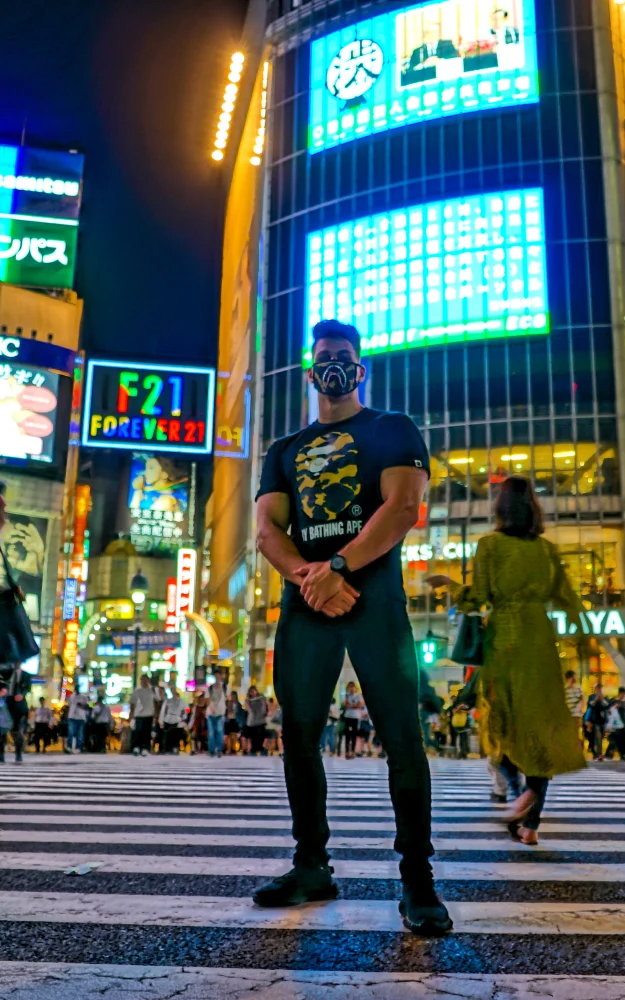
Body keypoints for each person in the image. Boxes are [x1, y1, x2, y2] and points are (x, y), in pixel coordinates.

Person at [250, 320, 450, 936]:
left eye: (343, 357)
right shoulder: (284, 449)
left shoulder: (392, 428)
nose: (333, 365)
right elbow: (266, 531)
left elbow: (403, 507)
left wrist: (338, 567)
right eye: (324, 358)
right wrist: (313, 580)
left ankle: (417, 879)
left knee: (401, 735)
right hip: (308, 605)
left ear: (359, 368)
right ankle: (310, 864)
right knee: (300, 734)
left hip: (375, 600)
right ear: (311, 373)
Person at [448, 476, 588, 846]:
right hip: (540, 643)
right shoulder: (545, 550)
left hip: (505, 642)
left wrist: (449, 588)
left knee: (502, 728)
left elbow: (478, 596)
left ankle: (517, 791)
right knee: (539, 732)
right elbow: (569, 599)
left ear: (501, 508)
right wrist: (584, 638)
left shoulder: (489, 546)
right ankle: (530, 824)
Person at [129, 675, 156, 756]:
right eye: (142, 680)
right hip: (139, 714)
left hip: (149, 714)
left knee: (147, 732)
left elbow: (157, 701)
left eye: (145, 680)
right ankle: (137, 747)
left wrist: (156, 714)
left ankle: (145, 748)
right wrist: (131, 714)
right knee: (138, 731)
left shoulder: (152, 690)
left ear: (148, 680)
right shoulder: (137, 691)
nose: (143, 681)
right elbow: (132, 703)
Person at [158, 683, 186, 754]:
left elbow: (186, 709)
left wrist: (183, 717)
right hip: (168, 719)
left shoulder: (181, 701)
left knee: (176, 735)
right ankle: (167, 748)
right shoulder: (167, 701)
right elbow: (163, 711)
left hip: (177, 719)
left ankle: (175, 747)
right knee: (167, 735)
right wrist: (161, 720)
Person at [584, 684, 609, 761]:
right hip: (594, 721)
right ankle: (599, 754)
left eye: (600, 688)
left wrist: (602, 699)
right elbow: (590, 705)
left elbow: (607, 705)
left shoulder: (604, 697)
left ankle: (597, 753)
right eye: (597, 688)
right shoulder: (591, 697)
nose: (599, 690)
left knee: (600, 738)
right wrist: (595, 699)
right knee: (597, 737)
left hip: (602, 721)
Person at [206, 671, 228, 757]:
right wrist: (211, 708)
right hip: (211, 713)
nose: (217, 677)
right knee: (211, 732)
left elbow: (228, 699)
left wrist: (229, 710)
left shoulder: (225, 687)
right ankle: (211, 750)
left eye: (219, 675)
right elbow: (207, 700)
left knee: (219, 731)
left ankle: (219, 750)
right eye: (216, 675)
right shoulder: (210, 688)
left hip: (221, 713)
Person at [340, 682, 364, 758]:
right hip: (347, 716)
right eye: (350, 687)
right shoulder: (346, 695)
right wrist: (354, 705)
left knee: (354, 735)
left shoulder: (359, 695)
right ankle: (347, 752)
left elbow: (360, 705)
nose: (352, 688)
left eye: (353, 687)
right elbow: (343, 704)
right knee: (347, 735)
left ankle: (353, 751)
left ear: (355, 688)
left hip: (355, 717)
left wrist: (350, 705)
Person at [245, 684, 269, 755]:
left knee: (260, 736)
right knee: (253, 737)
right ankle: (254, 750)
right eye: (250, 691)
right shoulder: (248, 700)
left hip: (260, 720)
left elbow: (264, 708)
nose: (252, 693)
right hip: (252, 721)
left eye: (253, 691)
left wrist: (265, 714)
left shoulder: (261, 698)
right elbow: (248, 709)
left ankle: (261, 749)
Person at [65, 688, 90, 754]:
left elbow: (87, 706)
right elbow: (68, 706)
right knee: (71, 733)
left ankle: (78, 747)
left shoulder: (84, 697)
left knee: (80, 734)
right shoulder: (71, 697)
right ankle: (69, 747)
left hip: (81, 717)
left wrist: (81, 705)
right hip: (72, 717)